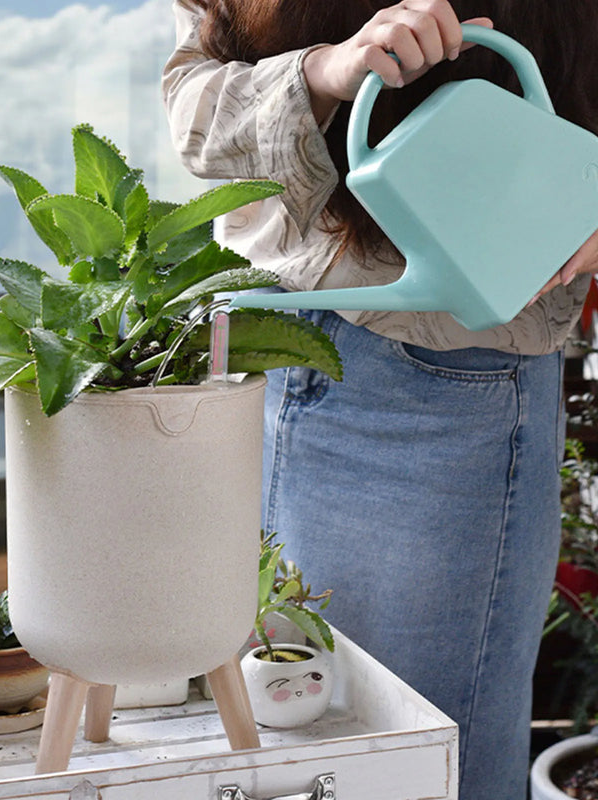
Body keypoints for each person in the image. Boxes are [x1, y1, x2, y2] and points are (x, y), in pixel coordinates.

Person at [161, 1, 598, 798]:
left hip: (442, 382)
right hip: (258, 354)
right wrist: (323, 71)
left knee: (419, 761)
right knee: (279, 748)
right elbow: (191, 110)